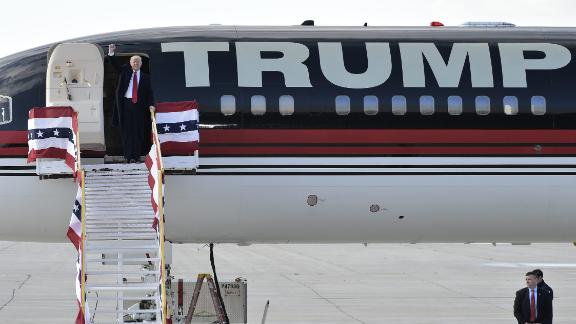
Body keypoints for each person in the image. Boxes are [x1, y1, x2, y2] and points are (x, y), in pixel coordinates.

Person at [108, 44, 155, 163]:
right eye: (134, 62)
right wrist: (111, 53)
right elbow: (115, 65)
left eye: (138, 62)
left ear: (141, 64)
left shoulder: (146, 77)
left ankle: (137, 155)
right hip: (126, 105)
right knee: (127, 132)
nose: (135, 64)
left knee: (138, 132)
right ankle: (129, 156)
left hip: (139, 106)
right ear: (130, 63)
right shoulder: (124, 71)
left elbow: (149, 93)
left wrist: (151, 104)